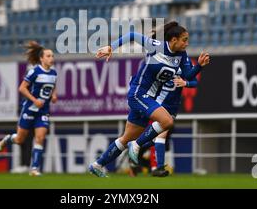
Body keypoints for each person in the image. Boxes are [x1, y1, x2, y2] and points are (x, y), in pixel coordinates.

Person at [89, 21, 210, 177]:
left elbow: (187, 76)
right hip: (138, 94)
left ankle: (97, 164)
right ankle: (138, 146)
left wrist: (199, 66)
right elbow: (131, 35)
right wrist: (111, 47)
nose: (187, 43)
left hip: (149, 98)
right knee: (167, 122)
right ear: (173, 40)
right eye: (184, 39)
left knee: (126, 138)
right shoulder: (156, 46)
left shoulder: (181, 56)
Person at [0, 41, 57, 176]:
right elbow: (22, 88)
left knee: (40, 138)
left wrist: (54, 95)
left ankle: (34, 169)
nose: (51, 58)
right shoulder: (34, 71)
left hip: (43, 111)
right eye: (48, 56)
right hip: (30, 109)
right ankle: (8, 139)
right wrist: (34, 100)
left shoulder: (54, 73)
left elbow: (53, 87)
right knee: (20, 139)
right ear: (41, 58)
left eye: (52, 56)